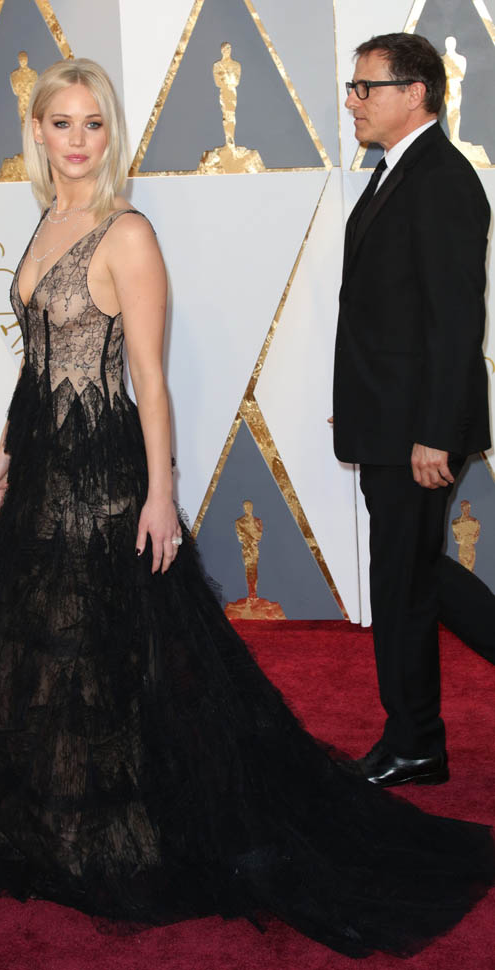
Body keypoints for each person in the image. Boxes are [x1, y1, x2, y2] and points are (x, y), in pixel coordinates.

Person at [0, 57, 494, 958]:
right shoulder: (45, 220)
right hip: (42, 468)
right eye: (61, 124)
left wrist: (161, 494)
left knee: (108, 648)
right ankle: (57, 825)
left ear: (110, 134)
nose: (77, 141)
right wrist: (8, 444)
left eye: (92, 124)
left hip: (105, 473)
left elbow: (150, 380)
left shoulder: (126, 234)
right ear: (36, 132)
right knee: (45, 649)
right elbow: (38, 357)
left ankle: (120, 826)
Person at [333, 32, 495, 790]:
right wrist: (360, 404)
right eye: (353, 86)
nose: (353, 101)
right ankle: (416, 739)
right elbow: (385, 313)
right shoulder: (398, 171)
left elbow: (455, 324)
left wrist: (434, 431)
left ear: (416, 93)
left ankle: (415, 742)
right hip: (390, 420)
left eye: (366, 87)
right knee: (415, 571)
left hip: (418, 433)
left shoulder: (442, 181)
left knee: (402, 583)